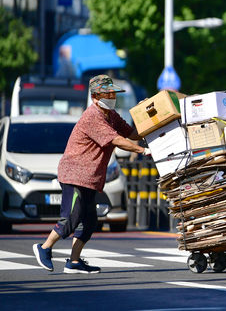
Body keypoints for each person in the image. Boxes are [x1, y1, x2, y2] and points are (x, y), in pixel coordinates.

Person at [32, 75, 150, 274]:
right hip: (75, 174)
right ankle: (44, 248)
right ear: (95, 97)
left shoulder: (111, 115)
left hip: (91, 178)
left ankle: (74, 262)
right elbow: (117, 141)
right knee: (71, 216)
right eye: (108, 93)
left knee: (89, 222)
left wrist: (150, 121)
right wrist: (143, 151)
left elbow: (130, 134)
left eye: (113, 93)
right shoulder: (92, 116)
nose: (113, 96)